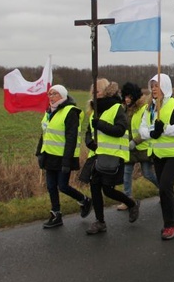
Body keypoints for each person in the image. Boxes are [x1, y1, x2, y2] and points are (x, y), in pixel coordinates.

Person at [84, 79, 139, 235]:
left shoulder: (117, 108)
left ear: (106, 91)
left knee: (107, 190)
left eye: (97, 90)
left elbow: (120, 130)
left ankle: (131, 203)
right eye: (93, 91)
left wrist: (100, 125)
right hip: (96, 155)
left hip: (113, 156)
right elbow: (89, 131)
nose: (94, 94)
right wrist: (89, 142)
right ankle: (100, 222)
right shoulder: (94, 109)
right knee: (94, 187)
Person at [139, 73, 174, 240]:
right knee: (166, 189)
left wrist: (165, 128)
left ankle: (169, 225)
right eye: (152, 86)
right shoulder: (150, 108)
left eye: (157, 86)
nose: (154, 89)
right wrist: (152, 133)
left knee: (164, 188)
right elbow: (142, 129)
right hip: (158, 153)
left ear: (165, 87)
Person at [36, 84, 92, 228]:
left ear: (62, 95)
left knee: (63, 186)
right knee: (50, 186)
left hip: (62, 157)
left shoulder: (70, 112)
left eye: (54, 94)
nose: (51, 97)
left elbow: (71, 138)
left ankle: (84, 200)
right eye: (49, 94)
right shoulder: (49, 112)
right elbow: (45, 134)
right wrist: (39, 152)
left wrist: (67, 161)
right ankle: (56, 214)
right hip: (49, 156)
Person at [118, 82, 159, 211]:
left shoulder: (144, 109)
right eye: (125, 96)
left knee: (147, 174)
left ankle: (164, 189)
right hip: (128, 148)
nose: (127, 99)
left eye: (129, 97)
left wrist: (135, 142)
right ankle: (128, 199)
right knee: (126, 173)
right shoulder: (123, 110)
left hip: (143, 147)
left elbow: (146, 129)